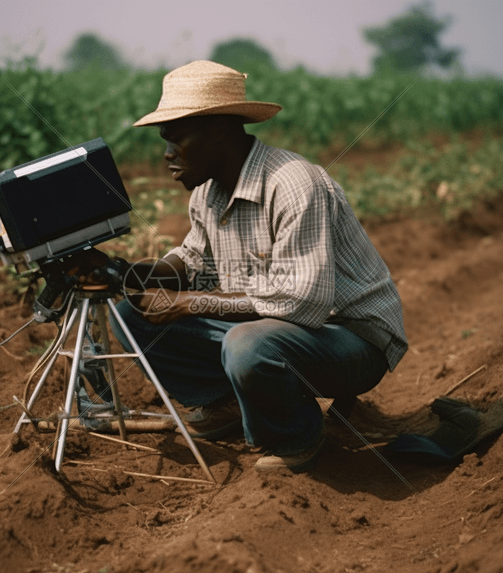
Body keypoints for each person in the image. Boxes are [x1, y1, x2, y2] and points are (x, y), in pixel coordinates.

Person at [108, 60, 407, 472]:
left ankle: (296, 437)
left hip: (350, 338)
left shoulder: (293, 184)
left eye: (177, 139)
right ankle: (226, 402)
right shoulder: (208, 193)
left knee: (248, 344)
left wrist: (190, 303)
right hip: (279, 326)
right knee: (130, 314)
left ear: (217, 130)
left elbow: (301, 301)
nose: (166, 153)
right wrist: (121, 272)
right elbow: (190, 260)